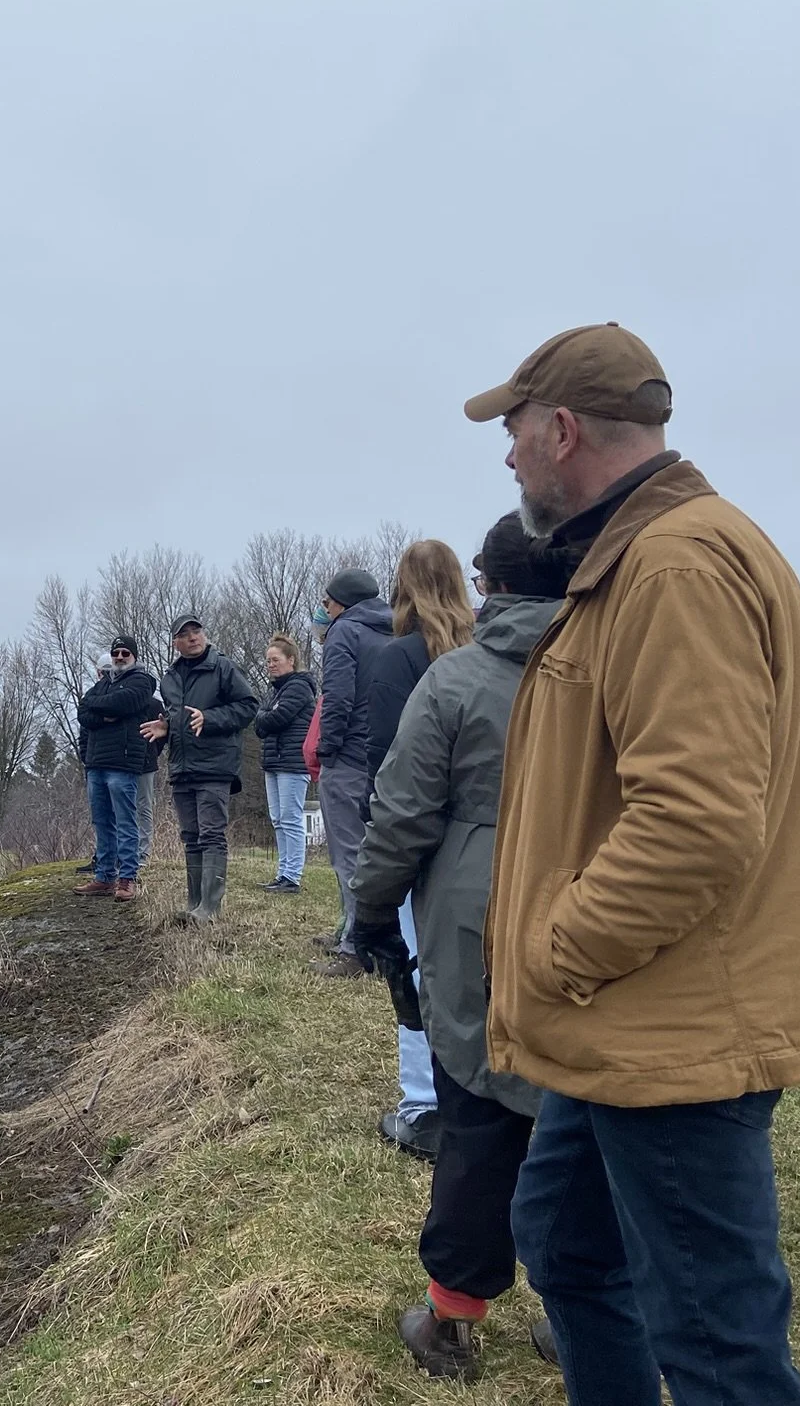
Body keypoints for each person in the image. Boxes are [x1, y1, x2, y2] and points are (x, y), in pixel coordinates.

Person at [470, 323, 800, 1406]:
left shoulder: (673, 565)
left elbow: (692, 821)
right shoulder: (637, 555)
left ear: (559, 430)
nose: (504, 459)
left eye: (510, 434)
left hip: (674, 1024)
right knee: (564, 1241)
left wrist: (558, 948)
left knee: (715, 1342)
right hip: (631, 1018)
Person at [349, 514, 566, 1379]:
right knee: (578, 1112)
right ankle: (575, 1309)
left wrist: (370, 911)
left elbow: (402, 813)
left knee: (476, 1108)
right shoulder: (613, 673)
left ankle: (451, 1320)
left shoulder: (455, 682)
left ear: (490, 582)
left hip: (477, 918)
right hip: (601, 909)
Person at [361, 540, 478, 1162]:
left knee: (417, 968)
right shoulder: (489, 651)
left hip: (425, 837)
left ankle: (424, 1104)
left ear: (402, 588)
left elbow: (390, 761)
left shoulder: (397, 659)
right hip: (489, 836)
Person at [141, 615, 258, 923]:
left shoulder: (223, 667)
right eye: (185, 634)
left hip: (215, 764)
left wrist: (211, 718)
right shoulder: (169, 678)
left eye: (197, 631)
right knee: (190, 836)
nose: (193, 637)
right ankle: (194, 904)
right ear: (174, 642)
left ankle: (210, 908)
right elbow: (179, 716)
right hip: (182, 767)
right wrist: (166, 727)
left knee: (211, 835)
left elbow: (248, 706)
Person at [310, 569, 393, 977]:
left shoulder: (344, 633)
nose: (324, 610)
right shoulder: (393, 629)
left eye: (327, 603)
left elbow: (338, 698)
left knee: (349, 855)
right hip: (384, 757)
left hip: (347, 759)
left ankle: (354, 948)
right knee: (377, 852)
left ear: (342, 602)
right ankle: (361, 932)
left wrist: (327, 749)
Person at [74, 636, 160, 901]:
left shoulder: (142, 681)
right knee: (102, 822)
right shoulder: (102, 685)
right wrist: (106, 713)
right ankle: (104, 877)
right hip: (96, 763)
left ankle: (127, 879)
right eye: (116, 653)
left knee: (125, 821)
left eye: (125, 652)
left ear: (133, 656)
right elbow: (83, 711)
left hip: (123, 763)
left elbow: (126, 702)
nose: (120, 657)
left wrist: (104, 709)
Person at [252, 634, 317, 892]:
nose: (270, 664)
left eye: (275, 659)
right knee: (278, 819)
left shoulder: (299, 687)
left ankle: (293, 877)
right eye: (267, 660)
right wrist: (265, 716)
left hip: (292, 763)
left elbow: (275, 719)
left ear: (291, 660)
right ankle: (283, 873)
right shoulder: (275, 690)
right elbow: (260, 722)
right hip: (274, 762)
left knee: (290, 819)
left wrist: (264, 716)